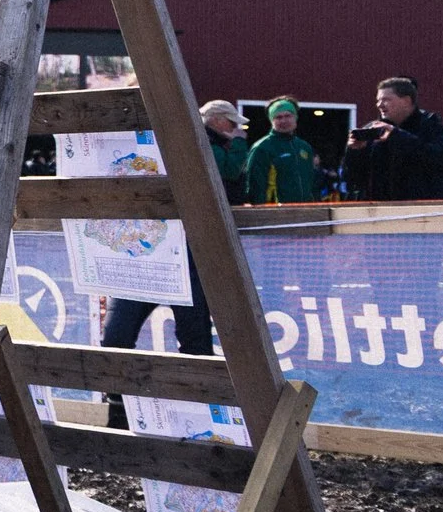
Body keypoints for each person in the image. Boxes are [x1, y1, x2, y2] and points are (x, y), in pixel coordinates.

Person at [100, 104, 240, 357]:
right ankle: (116, 395)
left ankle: (197, 393)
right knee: (116, 338)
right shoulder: (129, 143)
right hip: (140, 256)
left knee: (195, 340)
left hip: (184, 253)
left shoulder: (194, 141)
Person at [340, 76, 443, 201]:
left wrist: (397, 136)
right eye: (378, 100)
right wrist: (354, 152)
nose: (379, 105)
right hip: (379, 211)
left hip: (420, 210)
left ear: (407, 101)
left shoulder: (431, 126)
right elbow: (351, 179)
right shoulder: (372, 130)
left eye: (386, 100)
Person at [242, 96, 322, 204]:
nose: (284, 121)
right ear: (271, 120)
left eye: (288, 116)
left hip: (306, 210)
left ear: (295, 117)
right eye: (278, 117)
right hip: (277, 212)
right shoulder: (262, 148)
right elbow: (255, 188)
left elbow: (312, 183)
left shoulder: (304, 147)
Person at [200, 100, 251, 205]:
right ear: (216, 120)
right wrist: (239, 141)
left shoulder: (216, 141)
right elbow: (231, 172)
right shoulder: (209, 143)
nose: (234, 126)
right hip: (219, 207)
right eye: (231, 122)